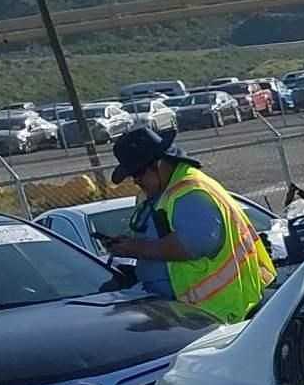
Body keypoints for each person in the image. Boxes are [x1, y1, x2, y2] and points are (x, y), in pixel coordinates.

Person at [100, 127, 275, 322]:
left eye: (138, 173)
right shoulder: (172, 191)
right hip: (199, 315)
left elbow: (192, 245)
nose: (136, 181)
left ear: (159, 164)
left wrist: (135, 248)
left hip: (219, 313)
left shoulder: (190, 194)